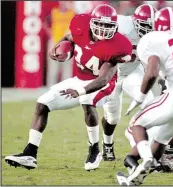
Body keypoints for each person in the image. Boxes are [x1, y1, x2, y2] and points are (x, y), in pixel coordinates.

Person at [5, 4, 133, 171]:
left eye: (108, 26)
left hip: (105, 85)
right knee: (43, 102)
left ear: (115, 27)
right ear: (92, 23)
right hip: (78, 79)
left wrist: (79, 92)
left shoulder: (117, 46)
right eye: (100, 25)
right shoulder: (81, 27)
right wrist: (56, 48)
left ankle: (94, 150)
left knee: (87, 100)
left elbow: (104, 78)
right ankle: (30, 153)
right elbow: (69, 37)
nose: (103, 30)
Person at [116, 7, 173, 186]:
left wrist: (140, 97)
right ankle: (139, 174)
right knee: (162, 138)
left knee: (136, 124)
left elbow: (151, 73)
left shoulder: (153, 39)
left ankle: (147, 158)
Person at [101, 3, 161, 161]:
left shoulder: (156, 34)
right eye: (145, 26)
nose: (148, 30)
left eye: (152, 27)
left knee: (149, 104)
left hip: (132, 71)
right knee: (113, 117)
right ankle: (107, 144)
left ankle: (150, 149)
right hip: (111, 72)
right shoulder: (122, 24)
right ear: (135, 21)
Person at [43, 1, 75, 86]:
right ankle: (50, 89)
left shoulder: (73, 13)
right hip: (55, 42)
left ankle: (66, 90)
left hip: (68, 43)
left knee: (67, 69)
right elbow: (45, 23)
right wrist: (50, 34)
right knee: (53, 69)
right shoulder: (54, 12)